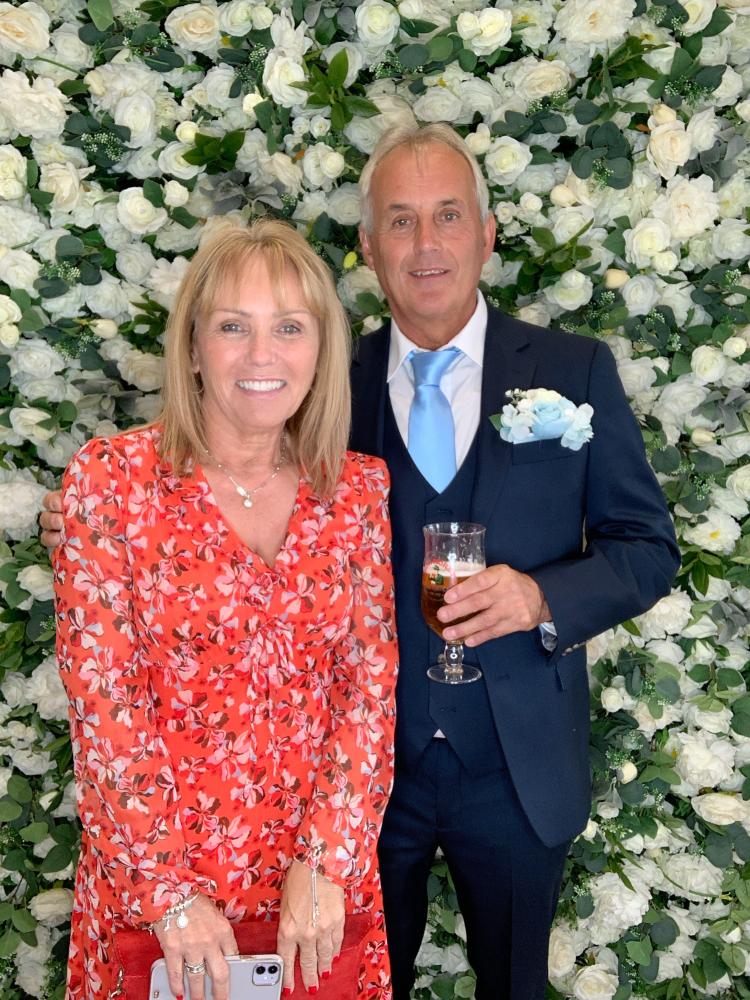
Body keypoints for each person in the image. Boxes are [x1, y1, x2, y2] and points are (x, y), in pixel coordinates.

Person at [43, 125, 680, 1000]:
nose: (427, 244)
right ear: (370, 246)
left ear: (486, 233)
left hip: (511, 769)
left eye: (448, 215)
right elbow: (174, 529)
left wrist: (541, 596)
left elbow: (646, 546)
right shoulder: (322, 378)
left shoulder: (573, 370)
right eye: (401, 220)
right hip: (360, 803)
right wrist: (86, 524)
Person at [51, 219, 398, 1000]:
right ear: (193, 347)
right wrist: (169, 896)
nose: (262, 354)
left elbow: (369, 691)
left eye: (290, 327)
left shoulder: (356, 489)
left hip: (317, 894)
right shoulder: (110, 481)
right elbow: (104, 707)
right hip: (160, 894)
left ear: (322, 349)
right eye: (234, 326)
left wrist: (330, 860)